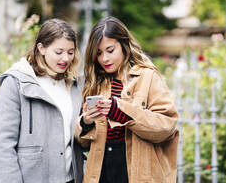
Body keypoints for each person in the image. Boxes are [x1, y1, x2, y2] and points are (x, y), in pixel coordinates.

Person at [75, 17, 179, 183]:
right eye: (99, 53)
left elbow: (166, 126)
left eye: (110, 50)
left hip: (137, 172)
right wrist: (86, 121)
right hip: (101, 172)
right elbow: (83, 143)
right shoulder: (94, 83)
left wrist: (119, 111)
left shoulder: (147, 76)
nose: (104, 59)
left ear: (124, 46)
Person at [0, 19, 84, 183]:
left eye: (70, 52)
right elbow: (3, 146)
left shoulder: (73, 85)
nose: (66, 58)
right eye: (59, 52)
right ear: (41, 48)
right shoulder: (15, 83)